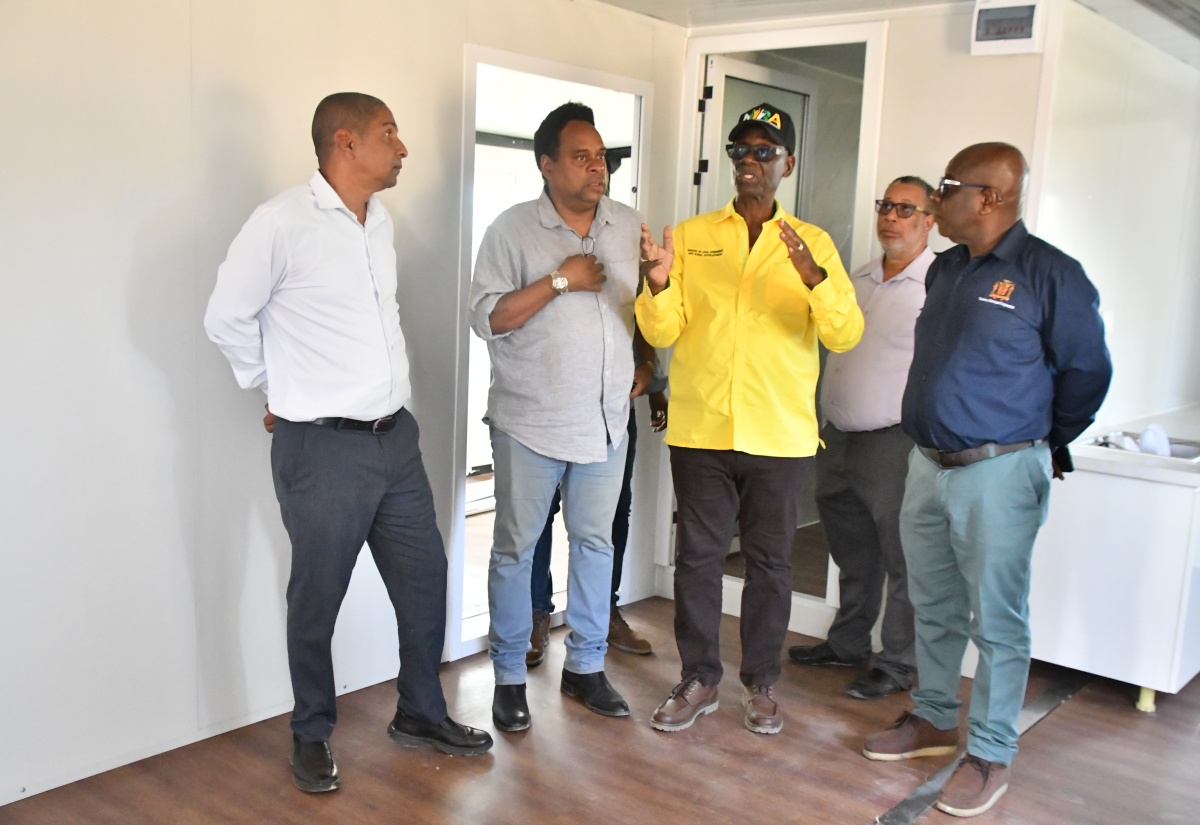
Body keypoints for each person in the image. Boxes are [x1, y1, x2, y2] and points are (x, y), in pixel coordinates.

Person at [204, 92, 493, 794]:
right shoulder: (280, 223)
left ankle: (420, 711)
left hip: (396, 441)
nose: (402, 147)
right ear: (346, 142)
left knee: (425, 580)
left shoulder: (379, 223)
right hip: (324, 451)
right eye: (389, 134)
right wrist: (271, 387)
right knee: (317, 598)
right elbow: (225, 317)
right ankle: (310, 733)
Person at [862, 143, 1111, 818]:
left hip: (998, 473)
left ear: (990, 197)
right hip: (927, 466)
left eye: (946, 188)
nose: (936, 201)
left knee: (998, 621)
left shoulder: (1050, 274)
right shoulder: (946, 268)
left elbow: (1089, 373)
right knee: (933, 604)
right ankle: (937, 718)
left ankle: (992, 750)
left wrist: (1043, 439)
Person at [637, 103, 864, 735]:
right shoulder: (695, 235)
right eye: (741, 150)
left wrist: (814, 279)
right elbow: (664, 328)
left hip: (779, 435)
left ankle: (761, 683)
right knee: (698, 560)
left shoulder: (813, 244)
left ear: (786, 164)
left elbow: (844, 335)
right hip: (701, 428)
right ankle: (699, 677)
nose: (750, 162)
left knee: (769, 564)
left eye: (765, 152)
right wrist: (656, 282)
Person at [468, 102, 644, 733]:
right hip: (530, 423)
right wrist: (561, 281)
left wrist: (646, 364)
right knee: (515, 550)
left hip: (604, 423)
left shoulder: (627, 225)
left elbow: (640, 308)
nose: (597, 167)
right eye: (581, 156)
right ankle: (510, 676)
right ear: (546, 165)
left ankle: (586, 668)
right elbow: (487, 318)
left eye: (601, 157)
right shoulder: (511, 230)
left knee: (596, 545)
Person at [788, 176, 936, 700]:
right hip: (838, 436)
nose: (890, 217)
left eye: (904, 209)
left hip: (893, 442)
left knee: (902, 558)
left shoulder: (936, 285)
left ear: (929, 219)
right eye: (885, 206)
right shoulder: (857, 277)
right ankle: (848, 643)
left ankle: (897, 665)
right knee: (852, 552)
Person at [526, 366, 668, 667]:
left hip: (614, 410)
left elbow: (639, 329)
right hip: (550, 406)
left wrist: (655, 388)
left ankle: (604, 613)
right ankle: (536, 612)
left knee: (614, 512)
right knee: (539, 512)